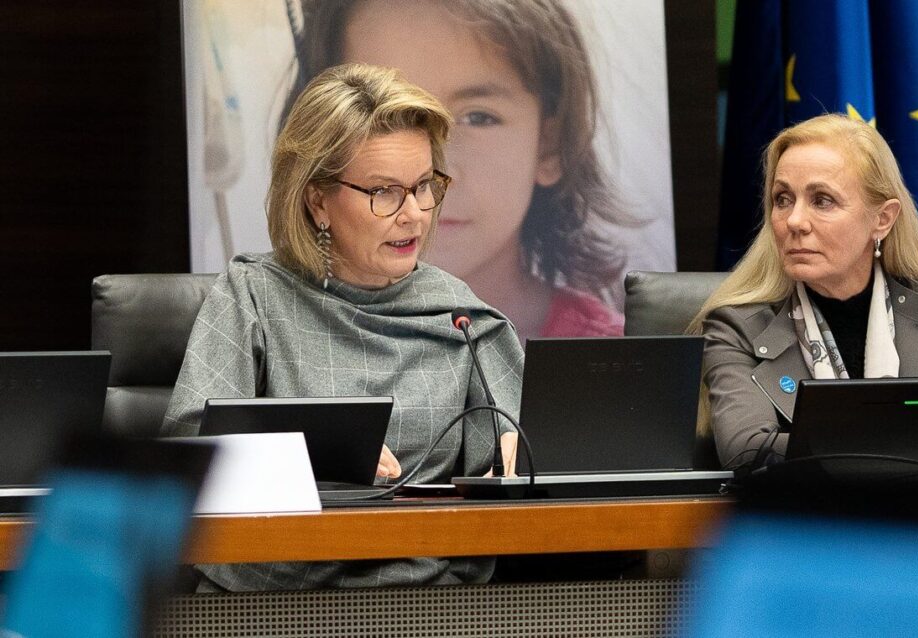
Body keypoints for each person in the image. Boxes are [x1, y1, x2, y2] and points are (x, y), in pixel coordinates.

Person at [162, 63, 523, 590]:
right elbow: (186, 454)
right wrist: (305, 454)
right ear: (317, 202)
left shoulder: (466, 319)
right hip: (269, 602)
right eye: (384, 192)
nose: (415, 215)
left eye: (425, 186)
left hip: (432, 598)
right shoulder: (254, 296)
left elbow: (510, 466)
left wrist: (517, 466)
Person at [278, 0, 633, 340]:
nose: (431, 176)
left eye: (478, 117)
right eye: (382, 118)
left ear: (548, 146)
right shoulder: (274, 343)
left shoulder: (615, 358)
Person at [690, 113, 918, 469]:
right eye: (783, 199)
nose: (794, 221)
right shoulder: (738, 326)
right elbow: (748, 450)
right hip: (806, 520)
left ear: (882, 219)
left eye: (822, 201)